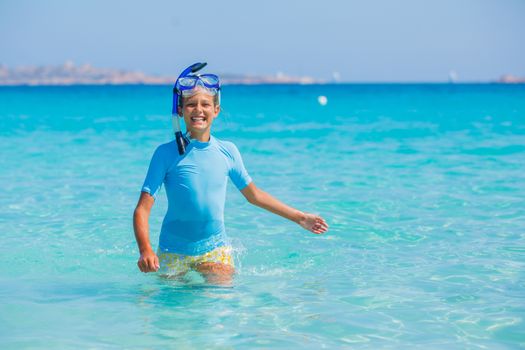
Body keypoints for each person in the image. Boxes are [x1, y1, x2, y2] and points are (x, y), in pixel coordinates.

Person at [133, 62, 328, 284]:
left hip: (214, 249)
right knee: (175, 309)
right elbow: (142, 209)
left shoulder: (228, 151)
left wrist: (300, 217)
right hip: (173, 250)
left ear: (216, 110)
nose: (198, 110)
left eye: (205, 104)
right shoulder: (166, 154)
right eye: (191, 105)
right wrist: (145, 249)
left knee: (221, 299)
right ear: (180, 110)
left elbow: (255, 195)